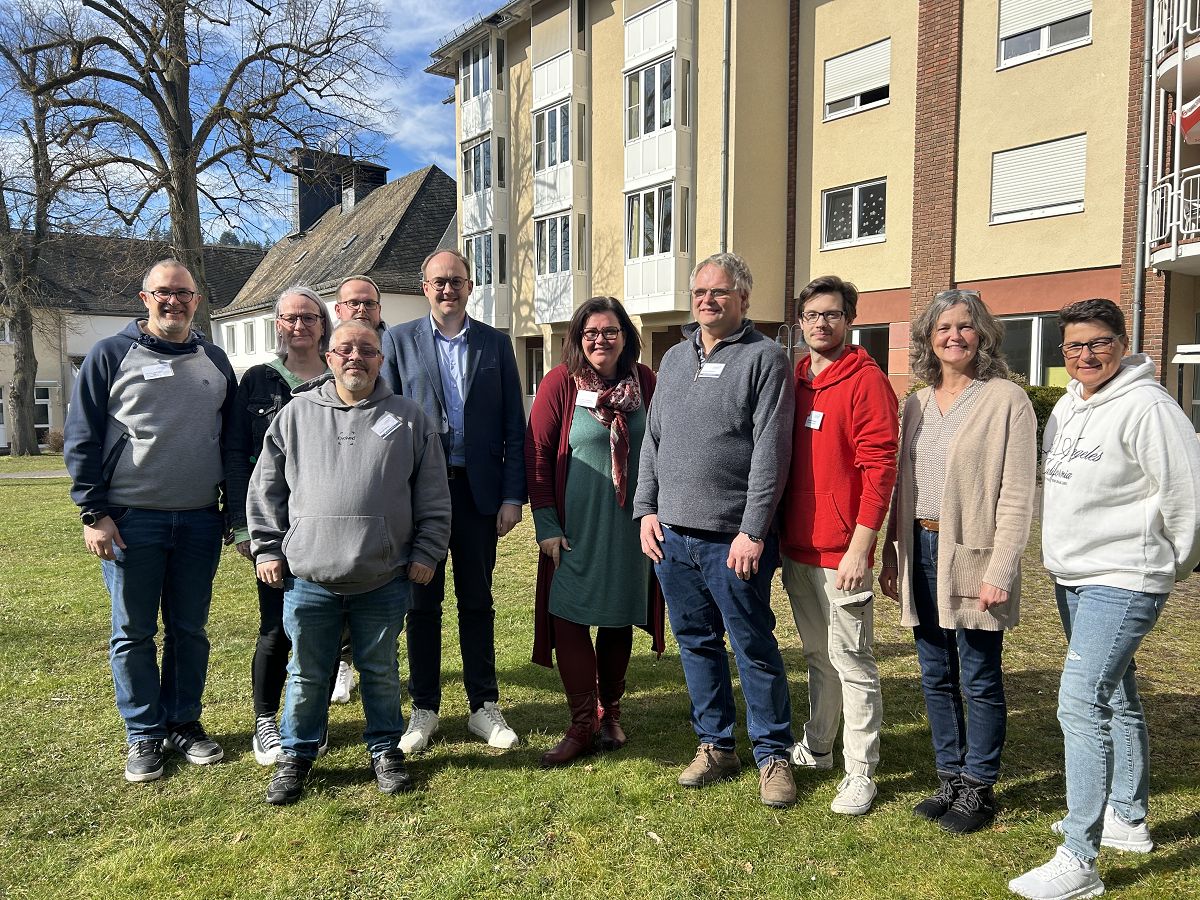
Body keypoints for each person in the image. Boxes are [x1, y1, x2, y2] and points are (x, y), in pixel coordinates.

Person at [1009, 299, 1200, 899]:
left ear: (1123, 342)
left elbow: (1186, 495)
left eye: (1098, 343)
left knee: (1078, 703)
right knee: (1117, 695)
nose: (1085, 356)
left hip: (1124, 576)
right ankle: (1128, 817)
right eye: (1073, 347)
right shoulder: (1068, 404)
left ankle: (1080, 859)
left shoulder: (1149, 408)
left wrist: (1171, 566)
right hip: (1074, 576)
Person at [247, 319, 452, 805]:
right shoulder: (295, 416)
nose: (355, 357)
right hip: (309, 578)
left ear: (381, 359)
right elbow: (265, 489)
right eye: (345, 349)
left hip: (382, 578)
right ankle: (295, 755)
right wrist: (268, 547)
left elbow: (434, 496)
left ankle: (385, 749)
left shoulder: (408, 418)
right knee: (307, 671)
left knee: (380, 669)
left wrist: (427, 552)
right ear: (328, 356)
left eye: (367, 349)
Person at [634, 251, 798, 809]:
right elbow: (653, 442)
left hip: (733, 539)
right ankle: (714, 745)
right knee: (696, 644)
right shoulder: (676, 359)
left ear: (743, 298)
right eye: (700, 291)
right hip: (671, 536)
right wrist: (646, 509)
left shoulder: (766, 357)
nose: (708, 300)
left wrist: (754, 530)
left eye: (720, 292)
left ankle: (772, 754)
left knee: (752, 645)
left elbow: (770, 452)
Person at [64, 259, 237, 782]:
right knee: (133, 632)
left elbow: (230, 438)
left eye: (183, 294)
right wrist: (94, 513)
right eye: (163, 293)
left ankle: (183, 721)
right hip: (130, 520)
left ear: (196, 301)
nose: (174, 302)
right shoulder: (111, 354)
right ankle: (144, 733)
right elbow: (82, 436)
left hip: (200, 518)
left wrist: (232, 504)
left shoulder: (214, 357)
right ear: (144, 299)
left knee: (189, 629)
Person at [879, 289, 1037, 834]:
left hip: (972, 554)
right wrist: (892, 550)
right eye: (943, 327)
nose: (955, 336)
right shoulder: (916, 402)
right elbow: (904, 482)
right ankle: (948, 775)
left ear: (984, 334)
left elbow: (1017, 495)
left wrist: (1001, 569)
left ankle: (978, 785)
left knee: (978, 673)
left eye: (966, 327)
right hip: (919, 549)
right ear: (927, 338)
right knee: (934, 672)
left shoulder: (1006, 400)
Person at [381, 249, 527, 752]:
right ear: (424, 287)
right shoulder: (398, 341)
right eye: (439, 282)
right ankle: (424, 709)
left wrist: (512, 495)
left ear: (471, 286)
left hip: (478, 492)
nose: (448, 289)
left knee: (477, 599)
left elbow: (513, 424)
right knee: (422, 602)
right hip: (421, 494)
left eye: (457, 281)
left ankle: (483, 707)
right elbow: (387, 419)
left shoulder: (495, 344)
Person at [525, 297, 665, 767]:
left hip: (630, 527)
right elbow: (538, 454)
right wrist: (545, 522)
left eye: (610, 331)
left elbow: (663, 446)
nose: (600, 340)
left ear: (626, 336)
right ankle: (582, 721)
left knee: (617, 616)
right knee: (566, 615)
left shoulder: (645, 383)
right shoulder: (559, 384)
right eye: (591, 333)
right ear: (578, 339)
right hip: (574, 528)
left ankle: (611, 714)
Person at [779, 275, 897, 816]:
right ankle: (819, 745)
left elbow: (880, 470)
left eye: (831, 315)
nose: (820, 324)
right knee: (816, 655)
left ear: (849, 320)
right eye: (811, 316)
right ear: (799, 323)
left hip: (843, 551)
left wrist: (861, 546)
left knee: (852, 658)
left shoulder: (867, 380)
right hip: (797, 545)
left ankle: (860, 769)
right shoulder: (794, 377)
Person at [225, 286, 332, 765]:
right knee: (275, 627)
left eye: (309, 317)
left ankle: (312, 717)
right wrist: (245, 529)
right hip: (273, 526)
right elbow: (233, 455)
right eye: (290, 318)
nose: (300, 326)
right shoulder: (257, 381)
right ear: (278, 326)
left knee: (320, 627)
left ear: (323, 324)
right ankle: (266, 720)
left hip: (327, 524)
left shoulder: (342, 378)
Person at [329, 274, 388, 703]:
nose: (362, 309)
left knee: (379, 587)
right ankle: (342, 663)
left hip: (383, 485)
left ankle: (369, 663)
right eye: (354, 303)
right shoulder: (332, 357)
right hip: (331, 492)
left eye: (369, 303)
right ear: (339, 309)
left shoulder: (390, 349)